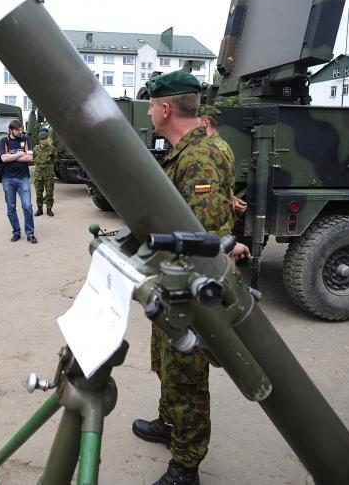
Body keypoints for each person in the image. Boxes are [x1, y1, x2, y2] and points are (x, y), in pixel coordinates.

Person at [133, 70, 249, 485]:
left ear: (165, 109)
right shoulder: (190, 150)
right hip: (173, 279)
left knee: (187, 373)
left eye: (150, 105)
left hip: (192, 291)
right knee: (166, 363)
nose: (148, 111)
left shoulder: (199, 155)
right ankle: (169, 424)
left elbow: (205, 239)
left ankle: (186, 464)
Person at [197, 104, 248, 215]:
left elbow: (221, 185)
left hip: (214, 212)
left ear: (205, 122)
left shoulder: (217, 148)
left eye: (195, 121)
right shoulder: (214, 145)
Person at [0, 119, 36, 243]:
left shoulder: (25, 140)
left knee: (27, 206)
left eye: (21, 129)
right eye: (18, 130)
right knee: (11, 208)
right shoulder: (4, 141)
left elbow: (30, 157)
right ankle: (16, 232)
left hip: (23, 178)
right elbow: (4, 158)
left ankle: (30, 233)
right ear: (11, 130)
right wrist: (20, 155)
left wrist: (12, 157)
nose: (21, 132)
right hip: (8, 179)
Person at [32, 129, 58, 217]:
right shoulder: (36, 149)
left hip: (48, 175)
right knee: (38, 193)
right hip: (38, 175)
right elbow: (33, 158)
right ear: (39, 140)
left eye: (46, 138)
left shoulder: (51, 149)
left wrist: (49, 166)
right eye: (42, 139)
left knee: (49, 193)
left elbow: (55, 159)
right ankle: (39, 210)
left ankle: (49, 209)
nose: (44, 140)